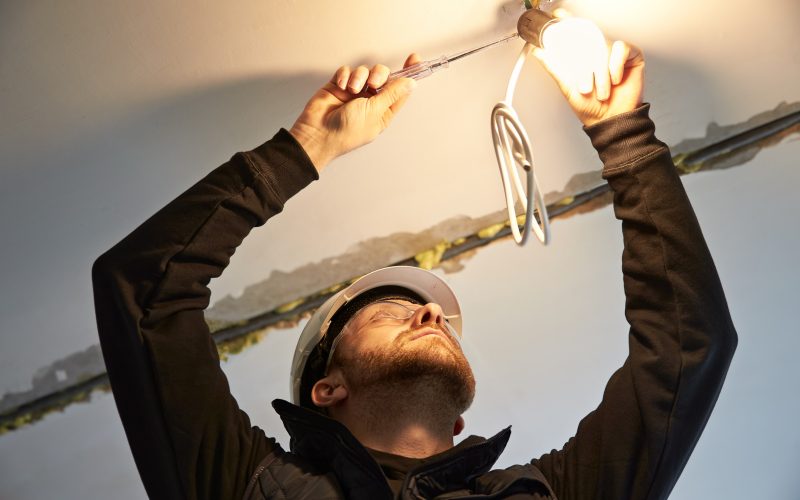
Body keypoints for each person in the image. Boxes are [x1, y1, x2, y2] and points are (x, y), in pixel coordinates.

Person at [92, 27, 737, 500]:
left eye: (404, 308)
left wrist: (621, 133)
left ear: (458, 422)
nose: (433, 309)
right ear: (327, 392)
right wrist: (304, 149)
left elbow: (687, 350)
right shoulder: (243, 485)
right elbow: (142, 293)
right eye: (401, 310)